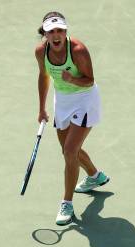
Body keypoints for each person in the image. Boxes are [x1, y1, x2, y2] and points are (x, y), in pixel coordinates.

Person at [35, 11, 110, 225]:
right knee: (69, 150)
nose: (56, 35)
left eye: (60, 30)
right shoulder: (41, 52)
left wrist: (72, 79)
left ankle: (66, 202)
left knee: (69, 151)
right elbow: (43, 76)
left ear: (65, 32)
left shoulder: (78, 50)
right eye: (51, 32)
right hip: (63, 100)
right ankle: (95, 176)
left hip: (85, 98)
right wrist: (41, 109)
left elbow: (89, 80)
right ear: (45, 34)